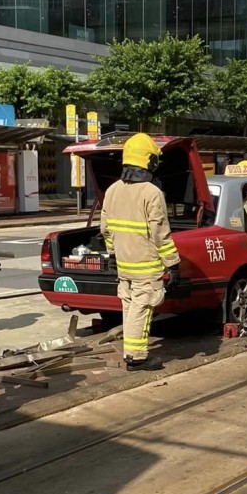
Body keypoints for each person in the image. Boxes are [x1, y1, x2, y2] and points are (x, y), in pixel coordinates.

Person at [100, 133, 180, 372]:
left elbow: (105, 228)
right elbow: (160, 233)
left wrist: (113, 254)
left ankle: (130, 351)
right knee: (142, 308)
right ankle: (136, 357)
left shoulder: (113, 189)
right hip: (146, 264)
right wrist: (173, 264)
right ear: (149, 161)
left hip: (124, 263)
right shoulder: (151, 192)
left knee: (129, 306)